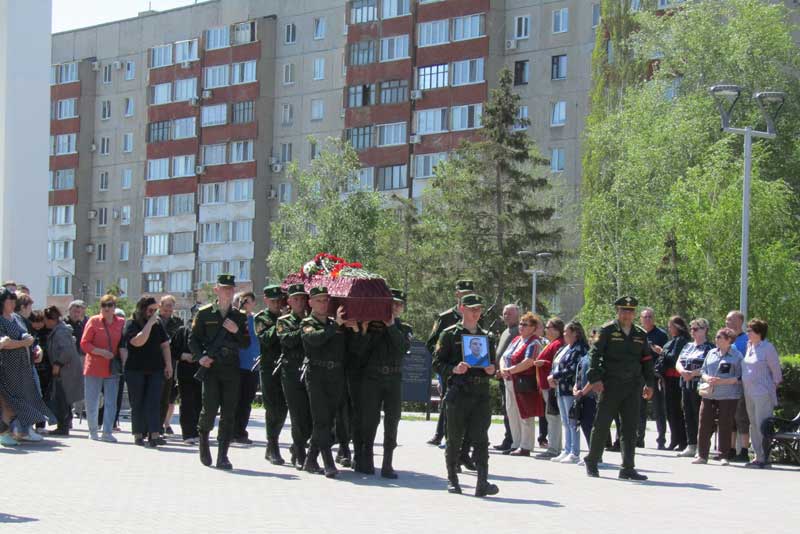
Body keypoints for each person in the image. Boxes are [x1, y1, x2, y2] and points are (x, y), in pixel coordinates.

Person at [434, 294, 499, 497]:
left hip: (480, 394)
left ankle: (482, 481)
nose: (476, 312)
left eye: (478, 309)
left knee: (481, 438)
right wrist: (454, 369)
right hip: (459, 393)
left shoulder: (487, 337)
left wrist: (491, 369)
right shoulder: (449, 335)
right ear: (462, 309)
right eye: (472, 308)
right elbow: (436, 363)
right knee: (453, 438)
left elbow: (493, 364)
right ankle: (452, 479)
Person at [583, 296, 654, 481]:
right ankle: (592, 460)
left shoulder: (640, 334)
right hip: (611, 384)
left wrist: (650, 383)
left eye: (630, 311)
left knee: (630, 427)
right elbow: (594, 354)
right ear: (618, 311)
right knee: (602, 424)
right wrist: (595, 378)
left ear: (634, 313)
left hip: (632, 386)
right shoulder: (606, 330)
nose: (627, 314)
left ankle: (628, 468)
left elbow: (646, 360)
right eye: (624, 310)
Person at [190, 274, 250, 469]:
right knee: (209, 409)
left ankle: (223, 455)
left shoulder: (239, 317)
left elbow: (246, 343)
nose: (228, 292)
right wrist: (201, 357)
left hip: (231, 368)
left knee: (229, 412)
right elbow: (194, 339)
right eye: (224, 288)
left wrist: (236, 331)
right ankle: (204, 441)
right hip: (212, 368)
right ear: (216, 290)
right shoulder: (205, 313)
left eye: (231, 289)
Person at [357, 289, 413, 478]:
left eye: (399, 305)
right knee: (370, 420)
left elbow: (403, 347)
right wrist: (365, 331)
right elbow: (361, 351)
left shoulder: (404, 328)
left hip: (394, 378)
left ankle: (387, 462)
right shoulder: (372, 324)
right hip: (372, 377)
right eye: (393, 303)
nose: (396, 307)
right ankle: (367, 459)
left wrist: (390, 327)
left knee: (392, 420)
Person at [300, 286, 352, 478]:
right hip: (317, 375)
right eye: (319, 300)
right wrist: (336, 326)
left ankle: (310, 460)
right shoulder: (307, 323)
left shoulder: (335, 324)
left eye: (325, 300)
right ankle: (328, 463)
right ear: (311, 303)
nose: (323, 304)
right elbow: (315, 339)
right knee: (321, 419)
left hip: (335, 376)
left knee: (328, 420)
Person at [425, 279, 475, 446]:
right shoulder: (445, 317)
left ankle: (465, 438)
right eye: (463, 293)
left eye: (470, 293)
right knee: (450, 401)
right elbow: (431, 343)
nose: (467, 296)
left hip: (471, 368)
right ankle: (447, 437)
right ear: (457, 294)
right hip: (450, 368)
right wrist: (443, 363)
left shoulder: (477, 316)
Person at [0, 288, 52, 444]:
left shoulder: (16, 317)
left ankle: (14, 432)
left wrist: (31, 343)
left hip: (22, 367)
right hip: (6, 367)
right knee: (9, 403)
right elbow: (4, 343)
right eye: (10, 300)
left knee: (17, 402)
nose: (13, 303)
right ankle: (7, 433)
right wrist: (23, 343)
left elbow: (23, 334)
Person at [122, 297, 172, 447]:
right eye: (150, 310)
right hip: (135, 369)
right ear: (142, 309)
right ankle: (138, 434)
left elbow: (165, 345)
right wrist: (149, 324)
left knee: (154, 401)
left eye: (155, 310)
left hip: (155, 368)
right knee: (137, 402)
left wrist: (168, 365)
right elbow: (138, 342)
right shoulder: (131, 324)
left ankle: (154, 434)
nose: (153, 313)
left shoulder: (158, 324)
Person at [693, 328, 743, 465]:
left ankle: (723, 456)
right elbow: (703, 370)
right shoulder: (711, 353)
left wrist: (724, 381)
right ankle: (702, 455)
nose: (716, 339)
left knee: (725, 425)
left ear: (728, 340)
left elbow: (740, 377)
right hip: (709, 394)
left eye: (719, 337)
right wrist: (707, 377)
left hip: (728, 395)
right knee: (704, 423)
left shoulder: (737, 356)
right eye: (716, 337)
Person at [80, 294, 125, 442]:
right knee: (92, 401)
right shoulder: (94, 321)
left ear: (114, 307)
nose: (107, 308)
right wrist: (101, 352)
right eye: (104, 305)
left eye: (110, 305)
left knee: (111, 401)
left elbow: (124, 344)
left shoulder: (121, 322)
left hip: (112, 368)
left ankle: (107, 432)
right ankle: (93, 431)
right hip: (94, 367)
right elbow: (84, 343)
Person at [498, 312, 543, 456]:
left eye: (525, 324)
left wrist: (510, 370)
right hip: (509, 381)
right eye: (521, 323)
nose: (521, 327)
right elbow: (505, 356)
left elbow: (529, 361)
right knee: (512, 412)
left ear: (533, 328)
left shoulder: (534, 342)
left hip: (524, 383)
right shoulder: (516, 339)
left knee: (525, 414)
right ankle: (515, 443)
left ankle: (526, 446)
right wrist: (502, 369)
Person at [278, 283, 312, 469]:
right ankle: (299, 452)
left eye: (302, 298)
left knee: (311, 416)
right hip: (291, 371)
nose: (300, 302)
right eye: (296, 298)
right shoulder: (284, 321)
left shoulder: (312, 320)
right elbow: (287, 341)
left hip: (310, 371)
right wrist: (306, 328)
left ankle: (297, 446)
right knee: (298, 415)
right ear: (289, 301)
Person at [254, 285, 288, 464]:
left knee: (283, 408)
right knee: (272, 407)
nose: (277, 304)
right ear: (266, 300)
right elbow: (266, 339)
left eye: (279, 300)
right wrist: (280, 322)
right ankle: (272, 444)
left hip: (287, 366)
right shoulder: (262, 318)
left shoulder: (288, 317)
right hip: (269, 367)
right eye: (273, 301)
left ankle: (273, 442)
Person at [742, 318, 782, 468]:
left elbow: (776, 371)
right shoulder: (749, 346)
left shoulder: (768, 348)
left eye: (750, 330)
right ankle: (757, 455)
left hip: (762, 392)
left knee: (762, 424)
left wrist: (773, 386)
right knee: (753, 424)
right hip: (749, 391)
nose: (748, 333)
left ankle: (765, 457)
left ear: (759, 332)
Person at [549, 321, 589, 463]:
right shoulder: (565, 348)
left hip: (571, 389)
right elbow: (556, 364)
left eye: (567, 332)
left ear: (575, 333)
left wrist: (555, 376)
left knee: (573, 421)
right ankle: (567, 449)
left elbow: (573, 368)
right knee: (565, 421)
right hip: (560, 388)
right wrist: (552, 376)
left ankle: (574, 451)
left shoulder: (580, 349)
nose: (564, 334)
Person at [675, 318, 714, 458]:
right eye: (691, 329)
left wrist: (693, 373)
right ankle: (691, 444)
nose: (693, 331)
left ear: (704, 330)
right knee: (688, 414)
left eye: (696, 329)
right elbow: (679, 361)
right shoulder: (688, 346)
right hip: (685, 384)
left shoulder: (710, 348)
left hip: (700, 386)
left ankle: (702, 446)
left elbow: (709, 365)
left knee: (700, 416)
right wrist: (683, 372)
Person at [43, 306, 83, 436]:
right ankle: (63, 425)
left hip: (65, 370)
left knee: (62, 398)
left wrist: (58, 364)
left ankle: (63, 426)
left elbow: (66, 351)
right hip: (66, 369)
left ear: (52, 319)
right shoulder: (60, 330)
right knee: (63, 398)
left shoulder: (60, 332)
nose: (45, 322)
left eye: (46, 319)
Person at [657, 316, 690, 451]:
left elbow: (675, 358)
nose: (669, 329)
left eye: (671, 326)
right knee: (670, 411)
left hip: (676, 379)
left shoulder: (682, 341)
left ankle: (681, 440)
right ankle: (675, 439)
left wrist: (661, 352)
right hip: (668, 379)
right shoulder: (674, 341)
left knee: (676, 411)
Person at [533, 317, 565, 458]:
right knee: (552, 416)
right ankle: (555, 447)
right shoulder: (553, 343)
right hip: (546, 385)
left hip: (551, 385)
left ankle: (553, 449)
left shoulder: (558, 344)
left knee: (553, 417)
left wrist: (543, 363)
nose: (545, 330)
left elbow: (557, 363)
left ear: (556, 329)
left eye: (548, 327)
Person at [638, 308, 669, 449]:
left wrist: (658, 349)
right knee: (640, 408)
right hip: (640, 375)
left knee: (659, 408)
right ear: (640, 319)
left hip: (655, 374)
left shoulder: (661, 334)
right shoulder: (637, 333)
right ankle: (639, 439)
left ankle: (661, 440)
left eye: (650, 316)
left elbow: (666, 354)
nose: (648, 319)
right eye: (645, 317)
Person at [232, 291, 260, 445]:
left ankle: (241, 431)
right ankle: (230, 431)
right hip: (235, 365)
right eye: (239, 301)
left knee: (246, 401)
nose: (242, 304)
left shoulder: (257, 320)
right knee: (233, 400)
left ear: (253, 303)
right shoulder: (234, 320)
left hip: (252, 365)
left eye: (246, 301)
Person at [493, 304, 520, 451]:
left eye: (509, 313)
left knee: (511, 410)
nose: (506, 316)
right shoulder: (505, 331)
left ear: (518, 315)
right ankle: (508, 438)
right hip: (502, 374)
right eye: (504, 313)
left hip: (512, 376)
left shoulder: (518, 332)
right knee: (506, 408)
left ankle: (512, 440)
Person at [725, 310, 751, 462]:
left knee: (741, 418)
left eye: (731, 320)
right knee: (730, 419)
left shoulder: (746, 340)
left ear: (739, 321)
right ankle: (731, 449)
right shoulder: (725, 339)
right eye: (727, 320)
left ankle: (744, 451)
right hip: (727, 386)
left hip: (741, 384)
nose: (727, 322)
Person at [157, 295, 183, 436]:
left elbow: (181, 340)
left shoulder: (177, 322)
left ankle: (167, 423)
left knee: (170, 396)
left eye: (170, 306)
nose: (168, 309)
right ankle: (157, 423)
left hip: (173, 362)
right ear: (160, 306)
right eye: (165, 305)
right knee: (158, 395)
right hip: (156, 362)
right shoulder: (154, 320)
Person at [173, 322, 200, 444]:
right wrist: (183, 355)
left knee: (200, 402)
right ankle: (188, 433)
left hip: (203, 370)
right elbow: (172, 349)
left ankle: (197, 431)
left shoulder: (208, 330)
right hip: (186, 372)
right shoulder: (182, 331)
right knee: (187, 401)